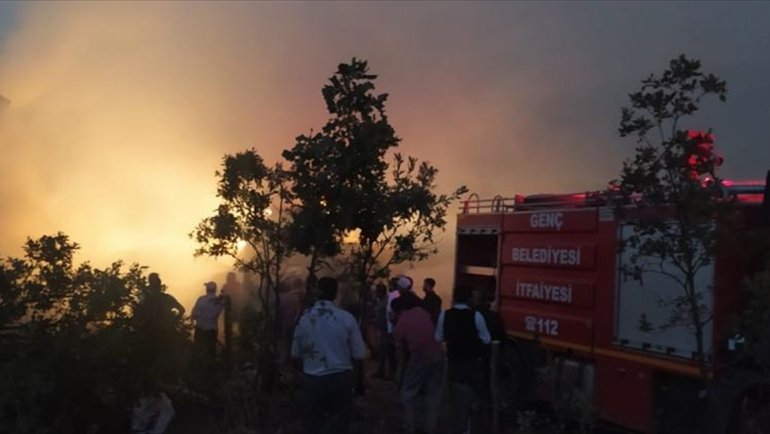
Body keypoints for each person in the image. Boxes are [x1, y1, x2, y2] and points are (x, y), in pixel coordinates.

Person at [291, 277, 366, 434]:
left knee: (313, 423)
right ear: (335, 293)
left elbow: (295, 353)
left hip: (313, 379)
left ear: (317, 292)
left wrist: (305, 374)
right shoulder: (346, 318)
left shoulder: (304, 319)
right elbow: (359, 354)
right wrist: (356, 381)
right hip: (341, 378)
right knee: (339, 424)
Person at [436, 285, 492, 434]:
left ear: (454, 298)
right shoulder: (476, 316)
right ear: (469, 299)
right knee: (473, 398)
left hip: (454, 362)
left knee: (456, 400)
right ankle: (470, 428)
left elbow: (438, 337)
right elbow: (486, 339)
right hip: (472, 363)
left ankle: (459, 428)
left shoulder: (445, 315)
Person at [393, 293, 444, 434]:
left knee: (408, 392)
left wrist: (399, 376)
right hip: (438, 355)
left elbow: (401, 356)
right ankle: (430, 428)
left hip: (419, 356)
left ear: (397, 311)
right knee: (432, 392)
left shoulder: (399, 325)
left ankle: (409, 427)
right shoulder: (422, 312)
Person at [191, 281, 223, 364]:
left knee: (198, 351)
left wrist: (197, 318)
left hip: (200, 328)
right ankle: (211, 368)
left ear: (207, 289)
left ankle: (199, 368)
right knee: (211, 351)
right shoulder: (219, 301)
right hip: (212, 329)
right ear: (215, 290)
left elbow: (193, 313)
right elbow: (217, 313)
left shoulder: (201, 299)